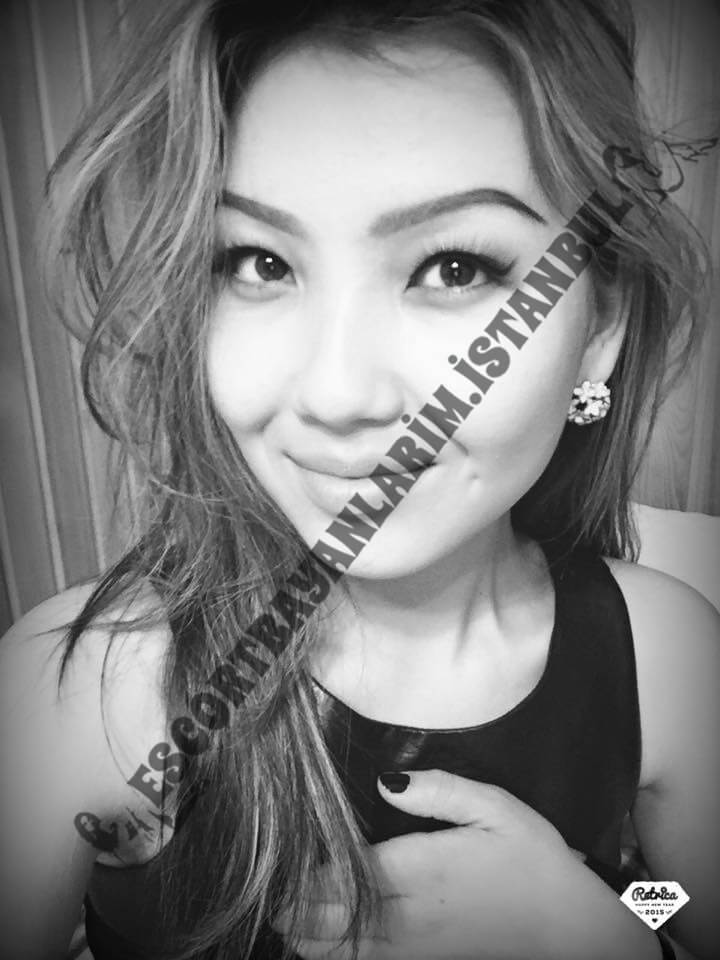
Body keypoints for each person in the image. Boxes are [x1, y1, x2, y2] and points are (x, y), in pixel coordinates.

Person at [1, 1, 718, 958]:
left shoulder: (665, 658)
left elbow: (682, 907)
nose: (335, 395)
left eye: (454, 266)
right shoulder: (87, 689)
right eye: (257, 262)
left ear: (600, 328)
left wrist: (616, 920)